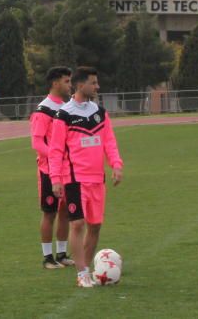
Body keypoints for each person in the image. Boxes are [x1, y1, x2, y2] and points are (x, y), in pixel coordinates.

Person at [48, 66, 123, 288]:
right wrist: (55, 178)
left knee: (95, 225)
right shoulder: (64, 114)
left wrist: (116, 165)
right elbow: (55, 149)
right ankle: (81, 273)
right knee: (78, 224)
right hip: (74, 179)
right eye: (93, 83)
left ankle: (88, 270)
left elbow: (109, 140)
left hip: (97, 179)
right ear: (81, 85)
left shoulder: (100, 112)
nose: (97, 87)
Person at [30, 66, 75, 270]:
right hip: (49, 170)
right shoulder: (43, 110)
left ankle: (62, 254)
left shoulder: (66, 108)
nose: (70, 85)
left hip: (67, 169)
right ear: (55, 83)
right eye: (66, 81)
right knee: (50, 212)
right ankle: (47, 258)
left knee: (65, 211)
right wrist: (56, 156)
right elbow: (37, 143)